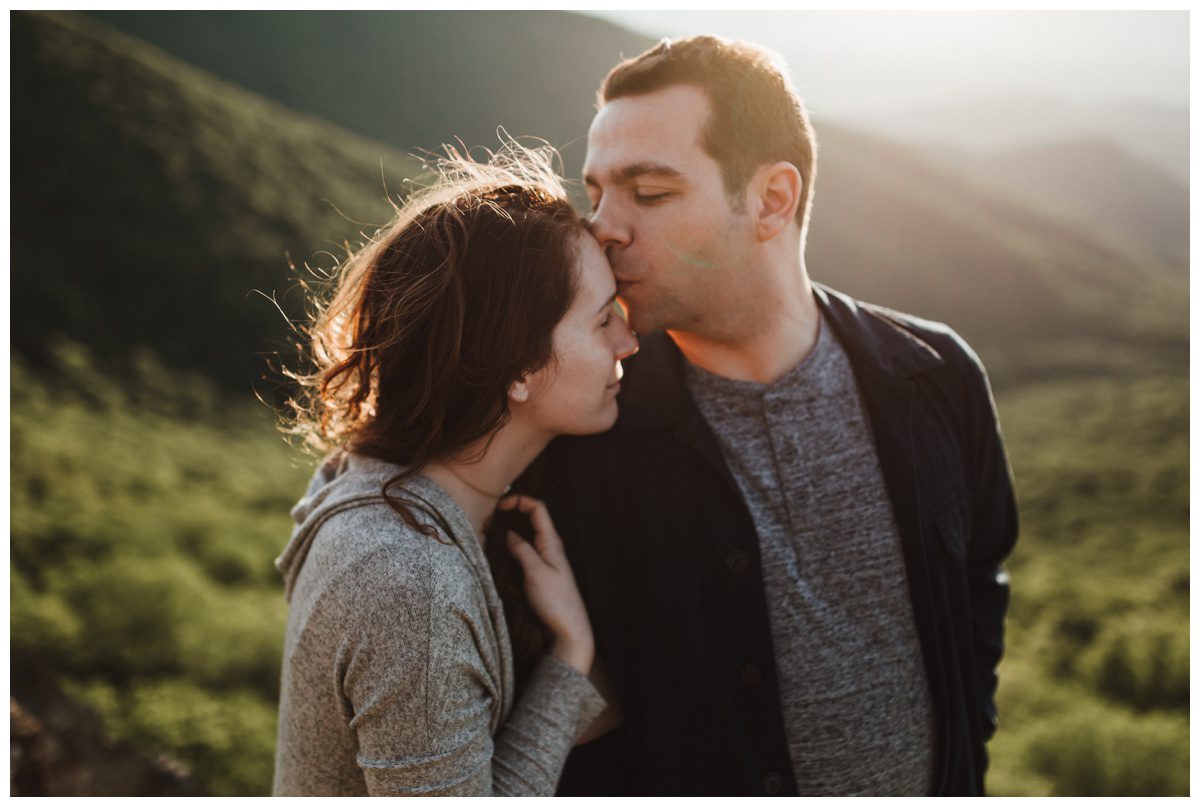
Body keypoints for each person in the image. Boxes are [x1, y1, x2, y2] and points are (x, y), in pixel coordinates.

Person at [513, 36, 1019, 796]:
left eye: (648, 192)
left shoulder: (936, 377)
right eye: (597, 192)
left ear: (772, 200)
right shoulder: (585, 422)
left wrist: (966, 752)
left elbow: (980, 582)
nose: (602, 227)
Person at [271, 144, 639, 796]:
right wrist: (571, 662)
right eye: (603, 319)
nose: (628, 343)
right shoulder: (411, 586)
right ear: (517, 370)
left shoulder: (353, 477)